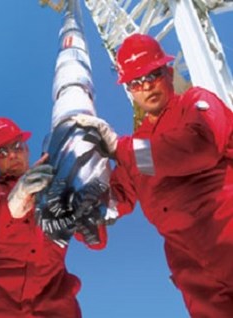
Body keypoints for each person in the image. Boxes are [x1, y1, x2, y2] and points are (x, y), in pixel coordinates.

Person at [72, 33, 233, 317]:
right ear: (130, 91)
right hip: (197, 279)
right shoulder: (137, 148)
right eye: (136, 82)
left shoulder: (195, 103)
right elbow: (116, 199)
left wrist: (119, 147)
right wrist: (79, 212)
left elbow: (201, 145)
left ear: (168, 72)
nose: (146, 86)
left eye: (153, 75)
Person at [0, 116, 86, 318]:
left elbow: (96, 239)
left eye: (16, 146)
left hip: (54, 307)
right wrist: (13, 204)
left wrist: (88, 202)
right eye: (1, 152)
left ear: (27, 148)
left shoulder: (56, 190)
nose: (12, 155)